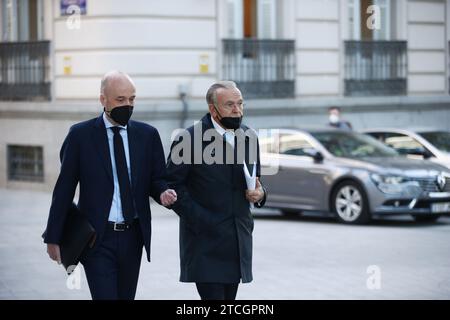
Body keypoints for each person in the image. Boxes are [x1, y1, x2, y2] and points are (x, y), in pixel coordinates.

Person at [43, 70, 177, 300]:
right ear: (103, 99)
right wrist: (53, 236)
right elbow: (64, 189)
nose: (128, 105)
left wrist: (163, 192)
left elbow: (157, 179)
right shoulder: (80, 136)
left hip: (133, 236)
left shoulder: (147, 135)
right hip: (97, 238)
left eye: (132, 99)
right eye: (120, 99)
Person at [166, 81, 267, 300]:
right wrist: (203, 220)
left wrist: (260, 195)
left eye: (240, 103)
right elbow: (172, 187)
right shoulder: (188, 139)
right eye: (229, 105)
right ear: (213, 109)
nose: (237, 110)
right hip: (205, 244)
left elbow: (257, 182)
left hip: (238, 242)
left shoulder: (249, 137)